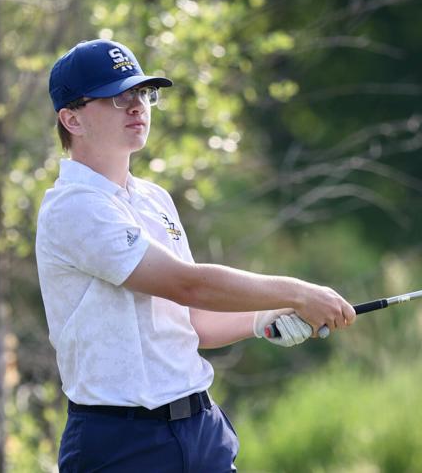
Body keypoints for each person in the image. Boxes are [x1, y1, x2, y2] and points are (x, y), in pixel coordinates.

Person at [36, 39, 356, 471]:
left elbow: (194, 322)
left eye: (142, 94)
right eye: (117, 96)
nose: (136, 106)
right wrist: (298, 292)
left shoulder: (154, 199)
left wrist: (264, 318)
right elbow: (188, 283)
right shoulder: (72, 206)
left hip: (201, 432)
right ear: (71, 118)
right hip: (119, 443)